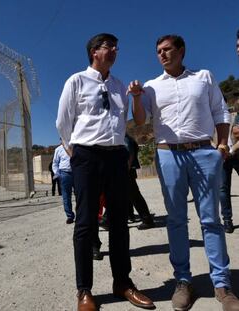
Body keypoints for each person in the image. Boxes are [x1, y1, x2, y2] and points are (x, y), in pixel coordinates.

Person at [129, 34, 239, 311]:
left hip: (204, 152)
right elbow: (141, 120)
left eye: (167, 49)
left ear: (181, 51)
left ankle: (222, 284)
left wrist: (222, 144)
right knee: (176, 220)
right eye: (158, 51)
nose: (162, 55)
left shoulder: (203, 77)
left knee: (211, 220)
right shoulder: (152, 87)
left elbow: (220, 112)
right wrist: (137, 99)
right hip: (168, 155)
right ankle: (183, 281)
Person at [56, 33, 154, 311]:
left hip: (115, 156)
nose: (114, 50)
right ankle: (84, 290)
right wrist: (76, 154)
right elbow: (63, 122)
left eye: (115, 47)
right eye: (107, 46)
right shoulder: (76, 81)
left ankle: (122, 282)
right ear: (93, 52)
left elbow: (125, 122)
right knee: (86, 222)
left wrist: (121, 155)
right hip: (86, 155)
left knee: (120, 222)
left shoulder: (119, 85)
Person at [125, 133, 155, 230]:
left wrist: (126, 168)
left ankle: (147, 219)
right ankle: (138, 217)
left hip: (125, 170)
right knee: (128, 195)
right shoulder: (126, 138)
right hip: (127, 170)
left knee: (133, 195)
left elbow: (129, 154)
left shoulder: (125, 138)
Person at [220, 122, 239, 233]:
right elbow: (209, 138)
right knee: (223, 189)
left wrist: (231, 151)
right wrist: (219, 151)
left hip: (236, 153)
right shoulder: (210, 117)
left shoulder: (235, 116)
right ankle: (227, 220)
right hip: (222, 157)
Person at [52, 141, 75, 224]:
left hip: (77, 172)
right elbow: (55, 163)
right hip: (64, 173)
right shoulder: (58, 149)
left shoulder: (75, 146)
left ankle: (81, 215)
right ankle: (69, 216)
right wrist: (58, 174)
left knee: (80, 195)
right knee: (66, 196)